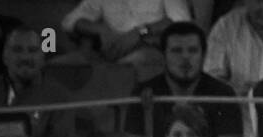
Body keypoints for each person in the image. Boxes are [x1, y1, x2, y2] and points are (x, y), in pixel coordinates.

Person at [126, 21, 240, 137]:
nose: (185, 57)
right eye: (176, 50)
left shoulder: (223, 93)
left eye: (192, 50)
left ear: (203, 55)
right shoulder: (144, 92)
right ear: (163, 55)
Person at [63, 0, 194, 82]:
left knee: (140, 62)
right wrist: (99, 29)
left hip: (152, 52)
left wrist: (140, 32)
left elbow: (184, 26)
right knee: (65, 66)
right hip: (111, 55)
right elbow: (70, 21)